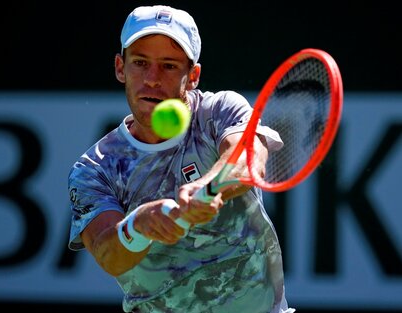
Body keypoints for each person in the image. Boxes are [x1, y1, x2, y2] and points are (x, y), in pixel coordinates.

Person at [67, 5, 295, 313]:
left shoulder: (221, 110)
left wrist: (208, 186)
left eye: (169, 66)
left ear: (194, 75)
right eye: (140, 63)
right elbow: (109, 255)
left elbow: (247, 160)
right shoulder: (94, 169)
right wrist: (140, 225)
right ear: (120, 67)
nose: (151, 78)